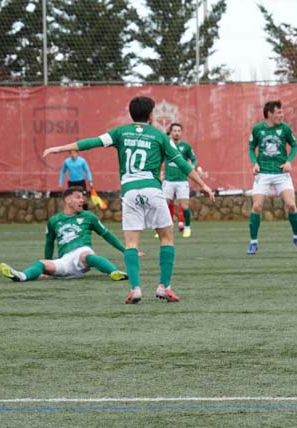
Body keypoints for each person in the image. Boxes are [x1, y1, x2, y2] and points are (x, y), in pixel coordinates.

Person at [42, 96, 214, 304]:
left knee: (131, 243)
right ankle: (164, 287)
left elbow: (91, 143)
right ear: (151, 115)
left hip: (130, 192)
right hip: (152, 189)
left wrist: (58, 149)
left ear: (131, 114)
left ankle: (135, 289)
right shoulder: (159, 136)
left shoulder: (120, 132)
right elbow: (182, 163)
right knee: (166, 238)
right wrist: (203, 185)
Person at [0, 187, 127, 282]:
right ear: (67, 200)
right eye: (78, 197)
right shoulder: (54, 220)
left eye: (82, 197)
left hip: (81, 251)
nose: (82, 200)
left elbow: (106, 234)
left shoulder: (88, 216)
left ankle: (114, 272)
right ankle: (21, 276)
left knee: (87, 256)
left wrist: (125, 250)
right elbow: (49, 243)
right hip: (65, 260)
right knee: (41, 264)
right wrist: (47, 264)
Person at [247, 100, 297, 254]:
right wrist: (255, 163)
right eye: (278, 112)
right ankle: (253, 243)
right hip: (263, 173)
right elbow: (251, 148)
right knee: (256, 206)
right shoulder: (258, 129)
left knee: (291, 205)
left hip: (281, 173)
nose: (282, 115)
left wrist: (289, 161)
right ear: (269, 114)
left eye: (282, 112)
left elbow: (295, 145)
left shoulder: (285, 128)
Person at [163, 123, 198, 238]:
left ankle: (187, 228)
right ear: (171, 132)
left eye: (178, 131)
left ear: (181, 132)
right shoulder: (166, 145)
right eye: (174, 131)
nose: (176, 133)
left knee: (185, 205)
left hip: (182, 180)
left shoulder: (186, 146)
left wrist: (192, 166)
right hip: (168, 180)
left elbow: (194, 159)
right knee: (164, 205)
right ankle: (164, 229)